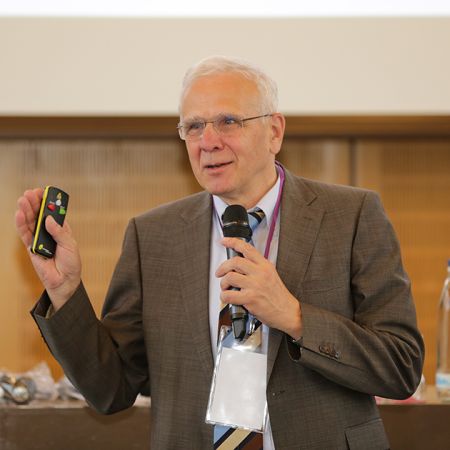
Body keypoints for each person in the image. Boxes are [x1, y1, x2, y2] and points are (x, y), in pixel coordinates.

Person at [15, 56, 424, 449]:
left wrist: (295, 317)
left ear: (274, 132)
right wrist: (65, 291)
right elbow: (111, 389)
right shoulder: (153, 235)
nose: (208, 142)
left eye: (228, 121)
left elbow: (401, 366)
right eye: (193, 126)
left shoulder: (350, 216)